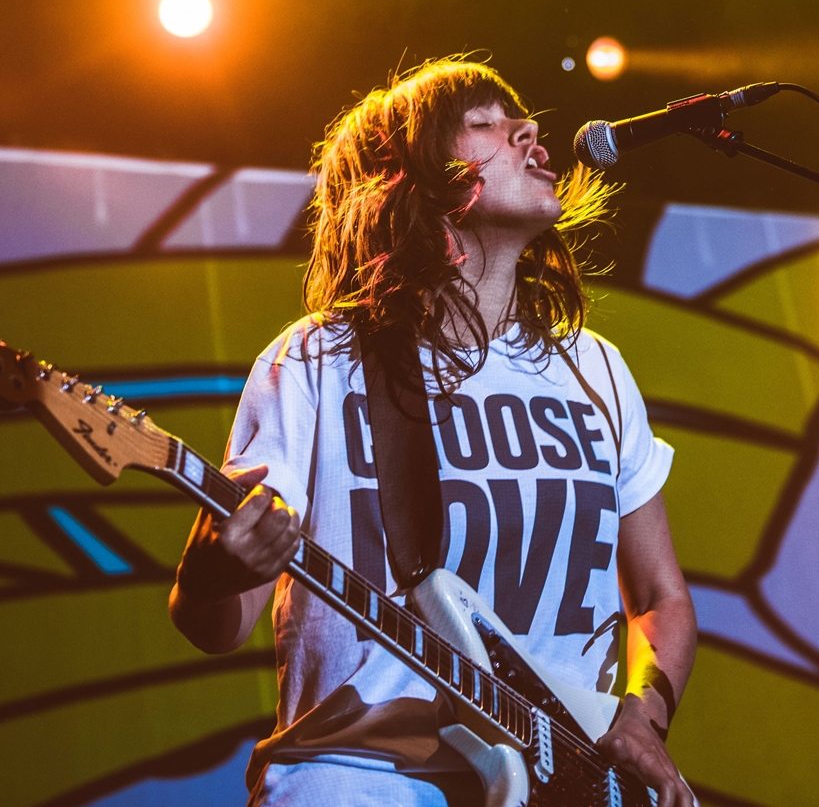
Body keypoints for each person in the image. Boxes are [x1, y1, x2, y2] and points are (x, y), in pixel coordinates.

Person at [169, 58, 698, 807]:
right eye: (484, 124)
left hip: (565, 786)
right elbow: (221, 624)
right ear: (410, 178)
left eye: (523, 122)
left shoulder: (595, 368)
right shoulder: (320, 360)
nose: (529, 132)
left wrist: (643, 717)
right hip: (360, 777)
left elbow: (660, 595)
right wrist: (212, 572)